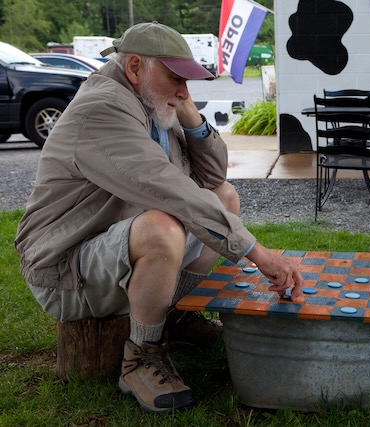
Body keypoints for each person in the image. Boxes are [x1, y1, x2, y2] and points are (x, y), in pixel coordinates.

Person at [14, 22, 304, 413]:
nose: (184, 89)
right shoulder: (104, 108)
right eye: (175, 78)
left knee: (224, 198)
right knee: (162, 228)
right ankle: (141, 355)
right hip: (66, 269)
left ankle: (175, 317)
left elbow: (213, 179)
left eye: (187, 81)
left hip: (111, 246)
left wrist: (187, 110)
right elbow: (169, 188)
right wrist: (257, 253)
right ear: (135, 67)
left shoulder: (151, 101)